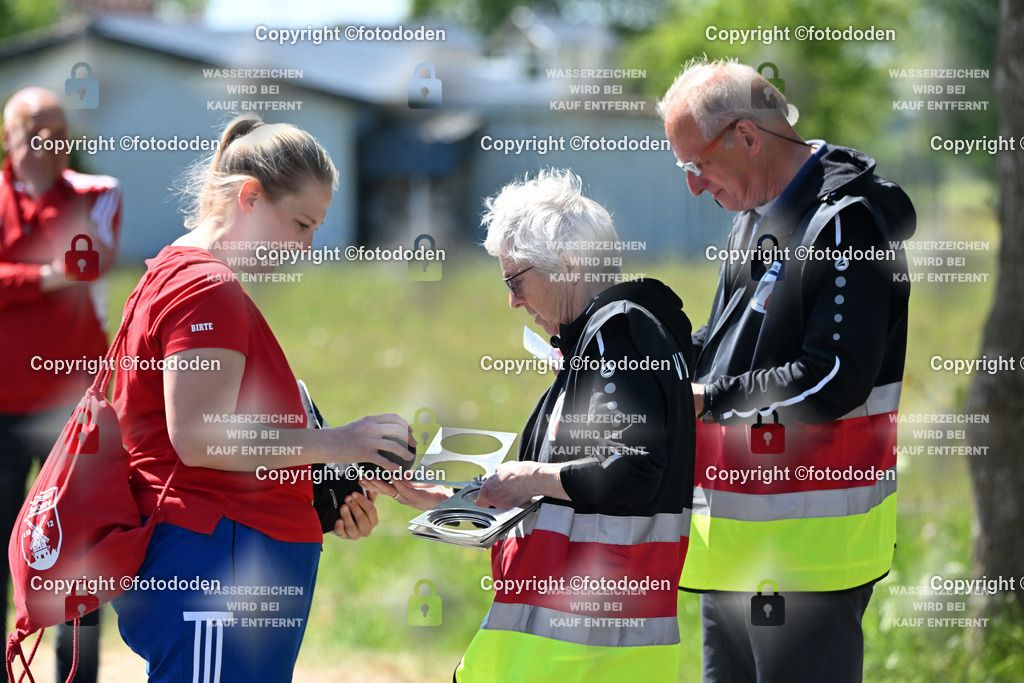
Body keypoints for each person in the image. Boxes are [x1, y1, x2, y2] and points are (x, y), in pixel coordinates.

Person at [109, 114, 413, 683]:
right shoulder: (207, 286)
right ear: (249, 196)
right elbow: (198, 436)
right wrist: (341, 442)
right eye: (300, 223)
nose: (307, 245)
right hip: (215, 560)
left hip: (220, 555)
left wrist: (327, 487)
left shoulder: (179, 273)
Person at [364, 169, 696, 681]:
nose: (513, 301)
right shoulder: (613, 337)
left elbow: (632, 471)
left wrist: (527, 477)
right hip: (593, 644)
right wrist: (453, 500)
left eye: (515, 281)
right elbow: (576, 495)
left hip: (571, 650)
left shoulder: (616, 332)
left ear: (567, 265)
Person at [658, 57, 916, 682]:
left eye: (697, 165)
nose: (693, 187)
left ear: (747, 136)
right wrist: (642, 366)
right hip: (735, 543)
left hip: (810, 558)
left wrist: (708, 400)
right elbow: (721, 348)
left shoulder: (847, 222)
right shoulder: (754, 217)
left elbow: (833, 377)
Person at [1, 86, 121, 683]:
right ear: (8, 138)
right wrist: (45, 276)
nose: (48, 142)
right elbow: (63, 270)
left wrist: (21, 275)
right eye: (35, 131)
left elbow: (90, 261)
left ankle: (78, 678)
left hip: (72, 413)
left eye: (58, 130)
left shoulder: (96, 193)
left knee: (77, 550)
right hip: (1, 408)